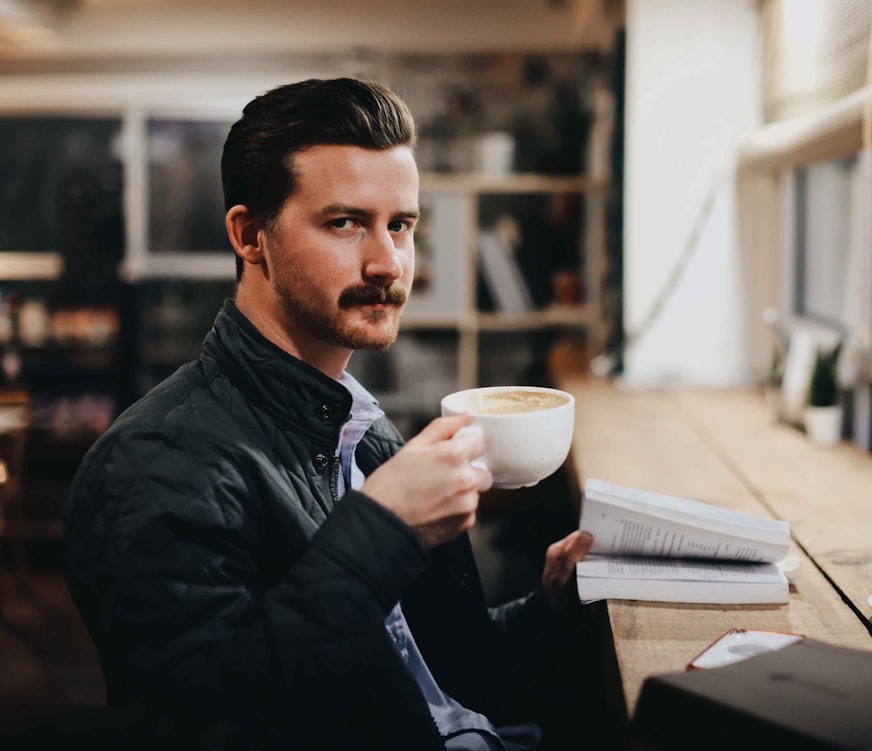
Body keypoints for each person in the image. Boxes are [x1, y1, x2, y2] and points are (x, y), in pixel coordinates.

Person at [62, 77, 594, 751]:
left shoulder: (361, 428)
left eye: (400, 225)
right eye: (345, 223)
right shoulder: (152, 463)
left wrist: (550, 604)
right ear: (250, 235)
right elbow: (206, 723)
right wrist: (381, 530)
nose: (387, 262)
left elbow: (440, 678)